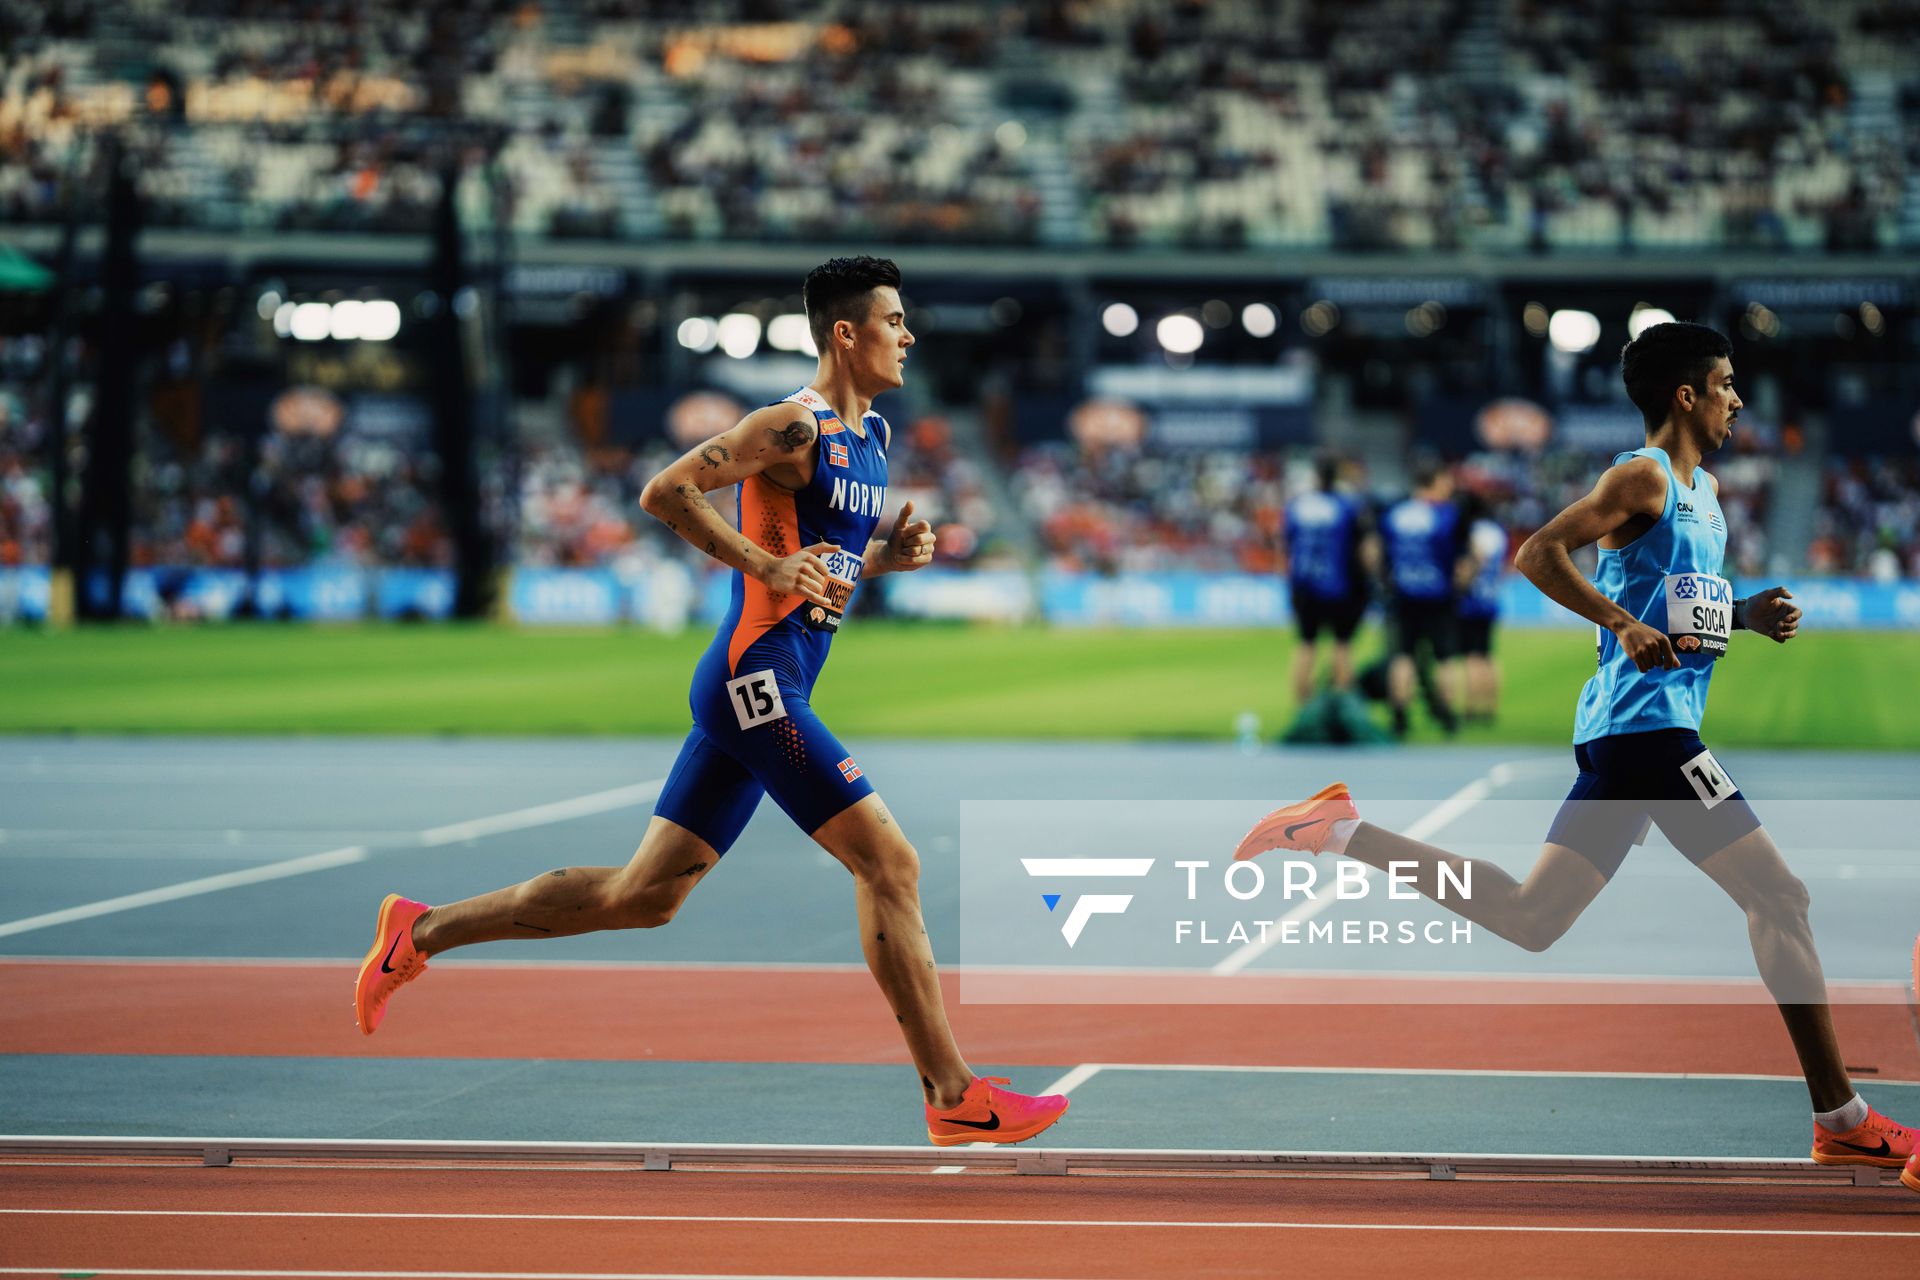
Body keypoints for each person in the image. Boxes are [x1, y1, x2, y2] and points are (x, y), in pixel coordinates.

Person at [352, 256, 1069, 1148]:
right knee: (890, 864)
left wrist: (888, 559)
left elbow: (824, 563)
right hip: (753, 680)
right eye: (894, 320)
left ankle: (418, 932)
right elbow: (667, 491)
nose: (909, 335)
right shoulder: (790, 428)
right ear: (847, 333)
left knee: (641, 896)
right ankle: (953, 1093)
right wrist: (765, 566)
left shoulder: (872, 438)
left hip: (773, 683)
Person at [1236, 322, 1917, 1181]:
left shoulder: (1702, 492)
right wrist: (1621, 624)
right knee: (1779, 896)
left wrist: (1741, 614)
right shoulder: (1643, 476)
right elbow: (1537, 552)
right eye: (1727, 384)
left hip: (1631, 733)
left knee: (1531, 918)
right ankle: (1841, 1116)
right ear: (1687, 394)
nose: (1738, 399)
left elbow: (1670, 601)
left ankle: (1338, 831)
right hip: (1650, 735)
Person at [1380, 460, 1467, 737]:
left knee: (1402, 656)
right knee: (1444, 659)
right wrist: (1460, 586)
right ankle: (1448, 717)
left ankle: (1399, 718)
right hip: (1438, 594)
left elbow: (1378, 553)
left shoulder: (1395, 514)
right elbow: (1461, 560)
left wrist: (1387, 582)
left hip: (1403, 593)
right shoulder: (1448, 515)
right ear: (1435, 481)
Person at [1283, 452, 1375, 706]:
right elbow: (1365, 549)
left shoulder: (1297, 506)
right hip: (1339, 586)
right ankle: (1343, 708)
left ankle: (1302, 709)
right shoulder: (1347, 505)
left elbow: (1288, 545)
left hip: (1303, 584)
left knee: (1305, 645)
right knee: (1342, 646)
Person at [1454, 492, 1508, 723]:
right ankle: (1490, 708)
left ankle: (1472, 708)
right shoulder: (1496, 531)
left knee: (1472, 656)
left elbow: (1473, 562)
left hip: (1472, 599)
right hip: (1491, 596)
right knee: (1488, 655)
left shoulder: (1471, 532)